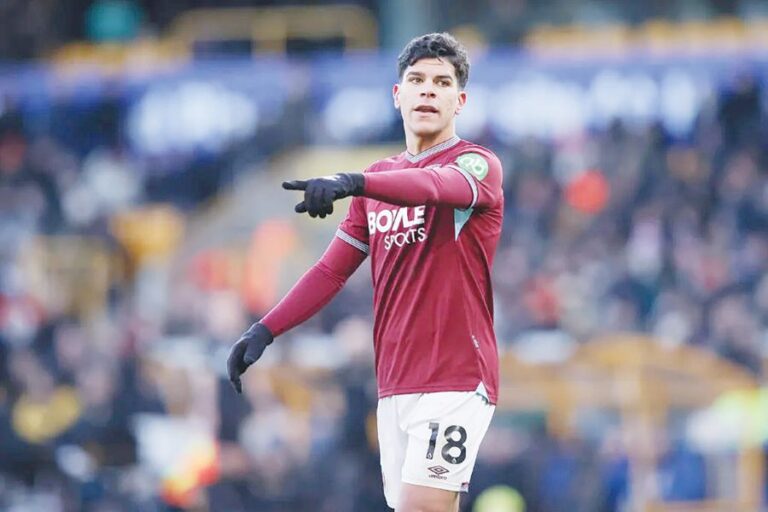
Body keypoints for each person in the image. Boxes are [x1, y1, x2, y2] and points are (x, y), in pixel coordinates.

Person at [227, 32, 504, 512]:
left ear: (460, 101)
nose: (428, 90)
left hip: (456, 377)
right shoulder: (379, 180)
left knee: (421, 506)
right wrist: (265, 329)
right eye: (417, 80)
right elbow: (330, 272)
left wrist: (353, 181)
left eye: (442, 83)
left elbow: (434, 187)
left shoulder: (476, 164)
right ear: (398, 95)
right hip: (394, 382)